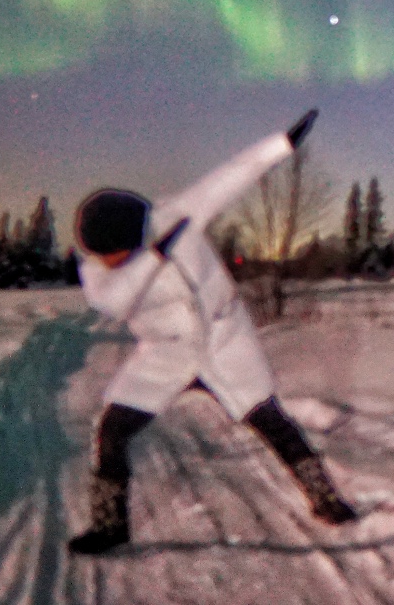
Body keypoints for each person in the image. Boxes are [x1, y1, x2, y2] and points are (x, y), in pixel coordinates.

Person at [68, 110, 358, 556]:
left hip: (225, 341)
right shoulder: (97, 273)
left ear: (135, 233)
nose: (105, 261)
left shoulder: (177, 216)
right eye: (99, 254)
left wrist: (281, 144)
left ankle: (327, 500)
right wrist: (154, 259)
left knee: (272, 422)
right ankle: (109, 527)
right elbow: (115, 301)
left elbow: (233, 176)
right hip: (164, 354)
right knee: (111, 430)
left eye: (113, 253)